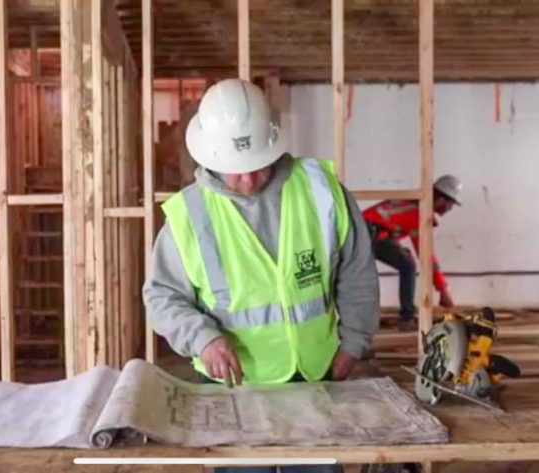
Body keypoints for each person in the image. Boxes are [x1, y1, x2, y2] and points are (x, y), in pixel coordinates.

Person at [142, 78, 380, 473]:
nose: (250, 181)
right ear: (209, 158)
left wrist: (353, 343)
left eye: (257, 165)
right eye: (236, 171)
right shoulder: (189, 216)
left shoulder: (320, 189)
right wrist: (204, 339)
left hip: (314, 379)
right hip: (233, 390)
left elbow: (357, 272)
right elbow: (162, 297)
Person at [360, 175, 462, 331]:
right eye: (451, 204)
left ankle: (401, 318)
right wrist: (442, 290)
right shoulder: (420, 213)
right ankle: (406, 319)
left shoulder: (417, 204)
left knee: (405, 259)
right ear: (441, 200)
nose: (450, 209)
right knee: (408, 265)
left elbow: (389, 223)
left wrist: (396, 245)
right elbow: (426, 256)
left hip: (364, 230)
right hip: (365, 232)